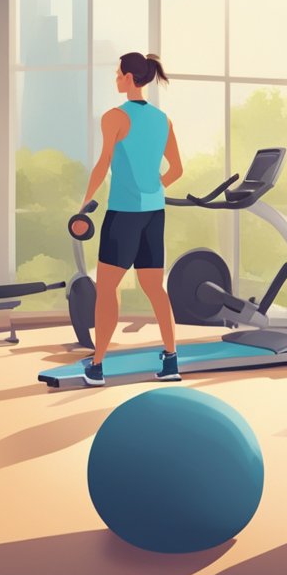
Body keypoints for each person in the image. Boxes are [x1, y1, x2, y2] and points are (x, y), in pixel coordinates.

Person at [79, 52, 183, 386]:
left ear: (128, 78)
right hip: (154, 213)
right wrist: (153, 189)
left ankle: (96, 366)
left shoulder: (113, 117)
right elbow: (177, 170)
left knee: (107, 289)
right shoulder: (162, 119)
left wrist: (85, 201)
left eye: (117, 73)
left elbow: (103, 163)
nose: (115, 78)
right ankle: (171, 362)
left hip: (123, 213)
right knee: (155, 288)